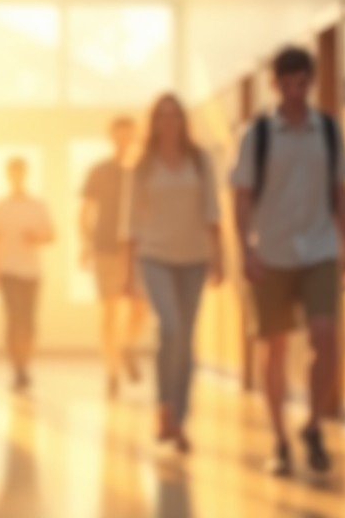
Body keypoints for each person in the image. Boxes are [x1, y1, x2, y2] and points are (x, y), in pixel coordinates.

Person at [231, 46, 345, 477]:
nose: (295, 92)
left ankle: (314, 425)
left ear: (310, 82)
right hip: (272, 253)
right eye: (286, 84)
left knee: (326, 338)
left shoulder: (329, 131)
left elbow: (342, 191)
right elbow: (241, 195)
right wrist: (245, 249)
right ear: (274, 85)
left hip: (320, 249)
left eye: (302, 83)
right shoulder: (258, 134)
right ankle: (280, 440)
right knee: (275, 347)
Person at [124, 94, 224, 454]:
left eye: (175, 115)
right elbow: (130, 222)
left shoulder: (199, 160)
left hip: (194, 257)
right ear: (153, 123)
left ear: (183, 121)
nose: (169, 122)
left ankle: (179, 420)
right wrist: (127, 272)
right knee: (170, 328)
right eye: (162, 116)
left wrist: (219, 256)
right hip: (155, 256)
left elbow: (212, 210)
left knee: (186, 338)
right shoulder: (143, 164)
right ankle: (163, 408)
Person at [80, 116, 148, 398]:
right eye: (119, 134)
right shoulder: (99, 171)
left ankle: (126, 346)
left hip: (139, 248)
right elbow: (85, 210)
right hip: (105, 247)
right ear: (111, 137)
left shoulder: (144, 169)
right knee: (108, 311)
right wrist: (85, 244)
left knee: (141, 307)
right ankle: (112, 372)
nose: (123, 140)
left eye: (128, 135)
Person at [0, 158, 55, 392]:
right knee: (13, 320)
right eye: (13, 172)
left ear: (25, 174)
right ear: (8, 175)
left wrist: (37, 237)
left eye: (20, 172)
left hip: (32, 272)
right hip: (7, 270)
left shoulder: (38, 205)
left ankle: (25, 364)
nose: (16, 176)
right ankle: (16, 368)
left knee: (29, 321)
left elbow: (51, 235)